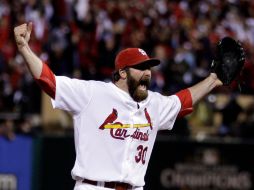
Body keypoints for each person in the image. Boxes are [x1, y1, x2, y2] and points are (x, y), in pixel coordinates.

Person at [14, 22, 222, 190]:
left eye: (149, 68)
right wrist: (24, 48)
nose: (148, 72)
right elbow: (49, 81)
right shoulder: (93, 93)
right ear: (123, 73)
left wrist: (212, 80)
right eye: (141, 67)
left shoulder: (155, 103)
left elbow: (183, 101)